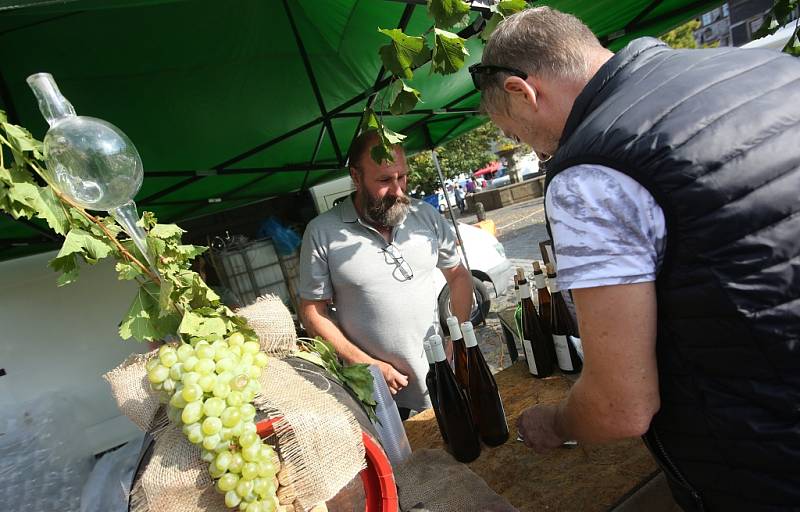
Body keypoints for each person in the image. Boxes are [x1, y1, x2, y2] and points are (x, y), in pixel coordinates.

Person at [473, 7, 800, 511]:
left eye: (516, 134)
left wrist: (556, 423)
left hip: (767, 461)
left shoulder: (592, 170)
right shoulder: (766, 69)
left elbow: (621, 405)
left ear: (523, 92)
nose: (533, 150)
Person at [298, 130, 474, 419]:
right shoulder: (322, 232)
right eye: (384, 180)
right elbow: (312, 311)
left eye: (402, 177)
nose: (398, 191)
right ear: (356, 176)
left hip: (444, 376)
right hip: (381, 395)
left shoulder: (425, 216)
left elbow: (458, 276)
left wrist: (457, 337)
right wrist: (367, 365)